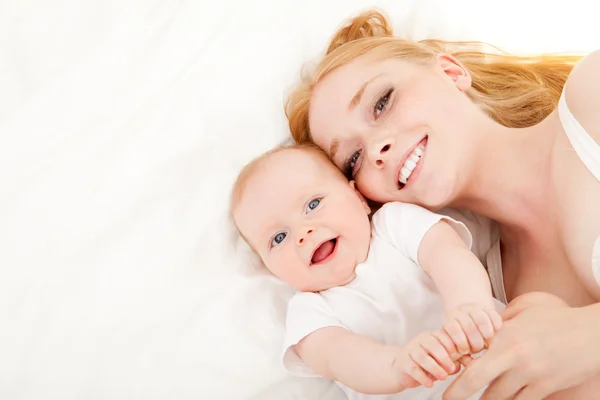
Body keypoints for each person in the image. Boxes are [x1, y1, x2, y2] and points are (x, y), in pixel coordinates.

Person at [285, 9, 600, 400]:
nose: (377, 149)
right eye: (354, 159)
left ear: (451, 73)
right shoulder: (492, 304)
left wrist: (587, 340)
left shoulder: (593, 98)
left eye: (382, 103)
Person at [229, 144, 504, 399]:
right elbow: (338, 357)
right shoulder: (309, 311)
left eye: (313, 205)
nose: (303, 234)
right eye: (278, 238)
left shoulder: (394, 224)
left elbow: (447, 254)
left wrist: (468, 306)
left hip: (502, 361)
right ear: (270, 268)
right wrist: (397, 366)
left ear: (358, 198)